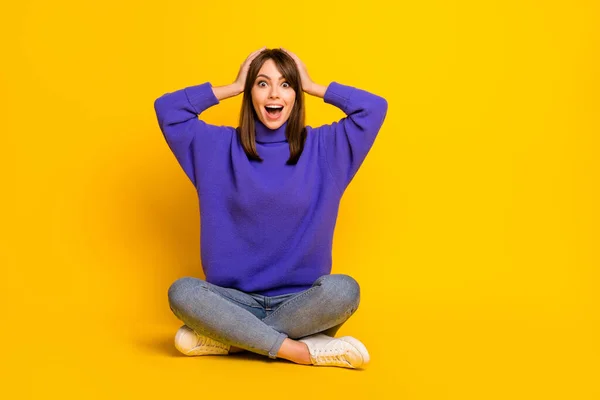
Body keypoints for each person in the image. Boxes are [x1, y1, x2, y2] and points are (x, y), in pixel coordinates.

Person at [153, 47, 388, 369]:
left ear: (296, 94)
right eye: (262, 83)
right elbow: (168, 109)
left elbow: (374, 108)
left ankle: (234, 341)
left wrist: (312, 84)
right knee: (183, 292)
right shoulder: (215, 148)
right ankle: (301, 351)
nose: (274, 93)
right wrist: (234, 85)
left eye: (286, 84)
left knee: (343, 290)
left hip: (302, 303)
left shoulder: (325, 148)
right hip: (231, 302)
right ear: (250, 94)